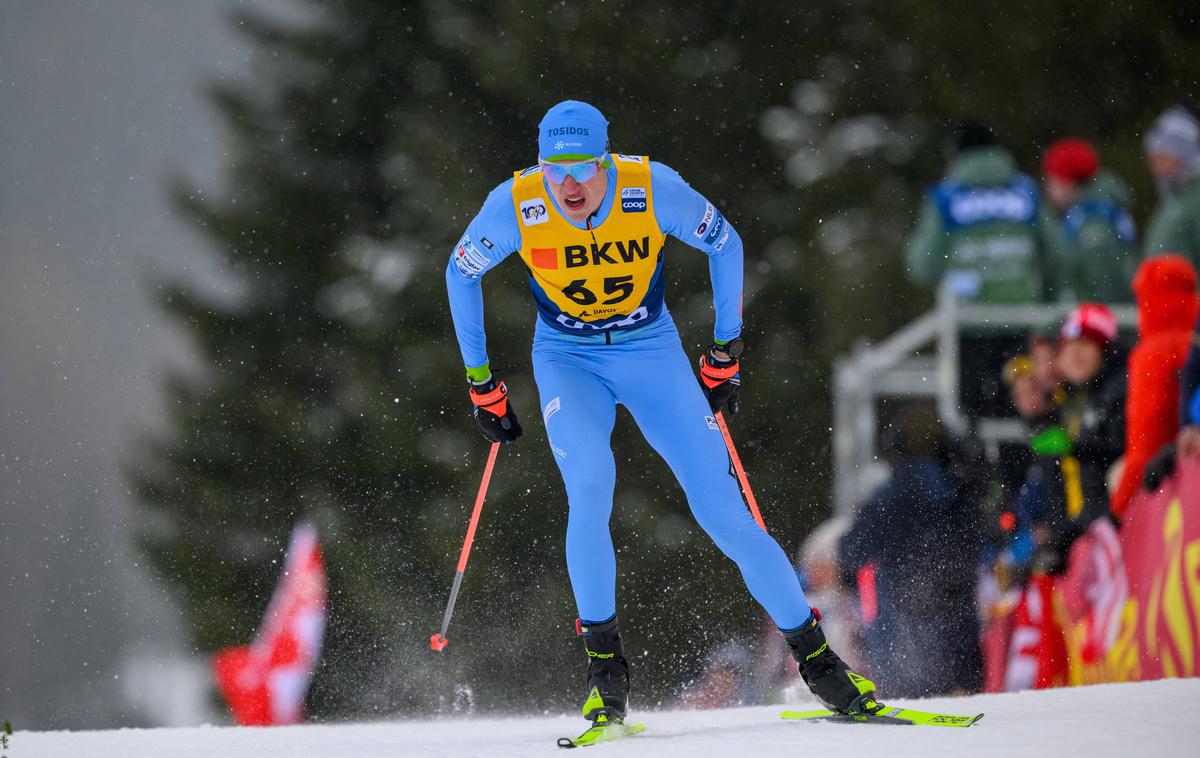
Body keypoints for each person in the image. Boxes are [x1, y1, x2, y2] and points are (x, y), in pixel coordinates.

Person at [444, 101, 875, 730]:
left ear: (605, 160)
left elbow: (727, 243)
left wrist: (727, 348)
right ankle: (606, 680)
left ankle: (821, 666)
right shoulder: (516, 204)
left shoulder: (651, 189)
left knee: (723, 511)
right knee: (589, 482)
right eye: (553, 169)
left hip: (651, 351)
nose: (567, 185)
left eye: (582, 168)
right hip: (568, 358)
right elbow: (460, 274)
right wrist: (480, 380)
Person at [839, 406, 984, 698]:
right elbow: (985, 544)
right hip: (959, 643)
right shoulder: (963, 495)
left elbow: (850, 551)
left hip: (900, 647)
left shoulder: (890, 498)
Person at [906, 120, 1064, 303]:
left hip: (967, 319)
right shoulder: (1026, 192)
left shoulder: (945, 198)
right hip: (1023, 315)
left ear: (955, 154)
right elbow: (1059, 254)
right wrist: (1046, 299)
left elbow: (921, 268)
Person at [1028, 303, 1126, 568]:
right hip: (1098, 534)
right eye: (1068, 348)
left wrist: (1075, 447)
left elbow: (1122, 453)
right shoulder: (1088, 395)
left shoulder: (1116, 388)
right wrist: (1067, 535)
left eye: (1083, 346)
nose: (1073, 357)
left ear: (1103, 348)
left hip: (1122, 532)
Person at [1110, 255, 1198, 517]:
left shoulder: (1154, 353)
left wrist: (1119, 507)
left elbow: (1147, 436)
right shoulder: (1192, 340)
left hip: (1169, 489)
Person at [1041, 138, 1137, 302]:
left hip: (1100, 318)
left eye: (1052, 181)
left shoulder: (1092, 222)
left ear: (1068, 183)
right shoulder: (1100, 209)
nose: (1049, 189)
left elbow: (1103, 283)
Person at [1143, 106, 1200, 264]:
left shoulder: (1195, 199)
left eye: (1161, 155)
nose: (1153, 163)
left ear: (1183, 154)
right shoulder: (1173, 199)